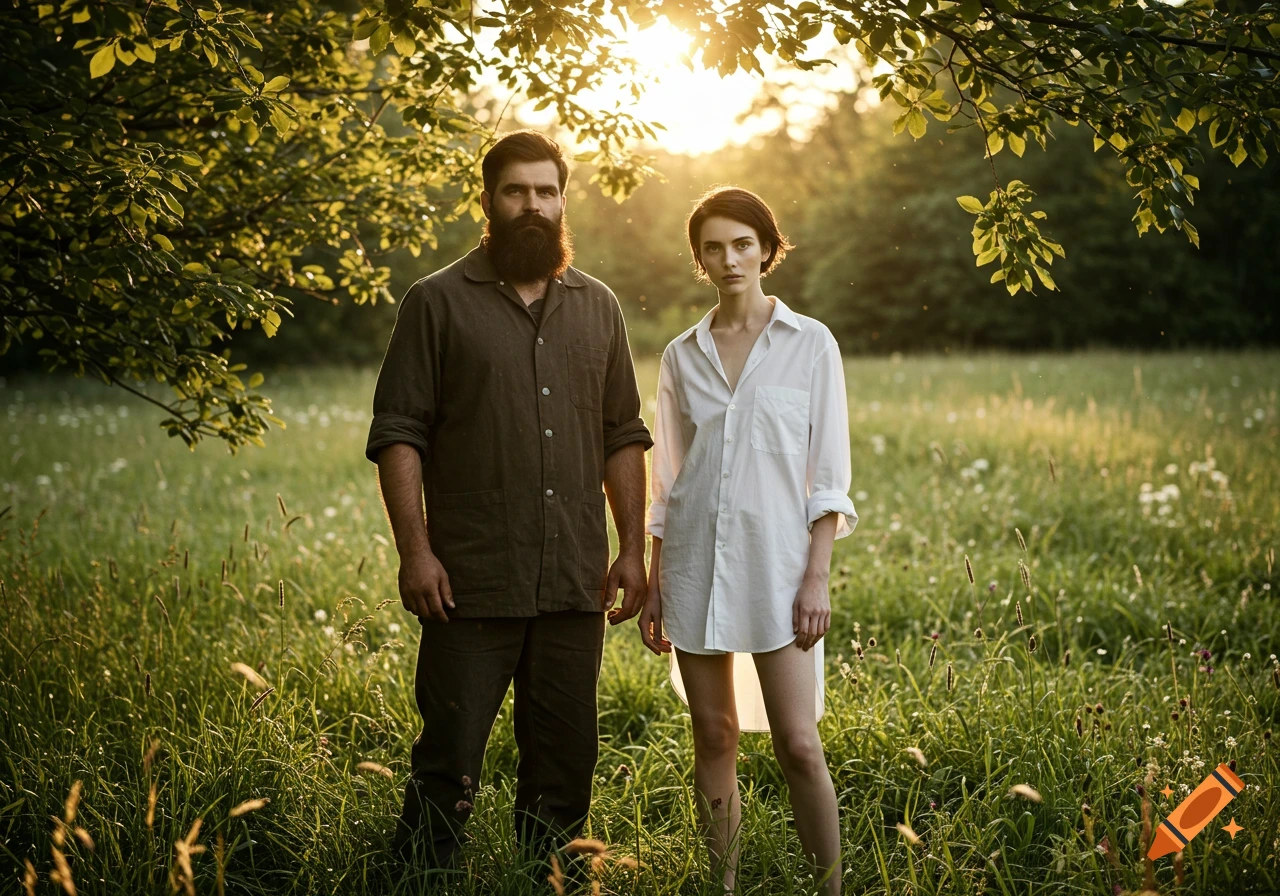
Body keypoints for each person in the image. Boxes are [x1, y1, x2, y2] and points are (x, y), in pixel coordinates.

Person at [365, 129, 653, 873]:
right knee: (448, 760)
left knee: (566, 763)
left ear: (563, 201)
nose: (533, 205)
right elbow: (399, 434)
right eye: (517, 191)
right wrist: (415, 553)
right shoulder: (435, 302)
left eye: (546, 191)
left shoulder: (599, 307)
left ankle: (550, 881)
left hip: (573, 581)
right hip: (470, 580)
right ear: (489, 200)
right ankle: (422, 881)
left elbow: (623, 435)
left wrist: (631, 550)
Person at [638, 186, 857, 894]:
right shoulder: (681, 356)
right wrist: (655, 583)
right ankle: (723, 887)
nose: (729, 259)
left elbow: (829, 476)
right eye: (714, 248)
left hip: (780, 571)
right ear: (700, 259)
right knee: (714, 735)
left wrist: (816, 577)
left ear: (767, 249)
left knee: (799, 744)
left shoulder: (811, 343)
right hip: (694, 568)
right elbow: (668, 483)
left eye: (741, 244)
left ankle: (829, 889)